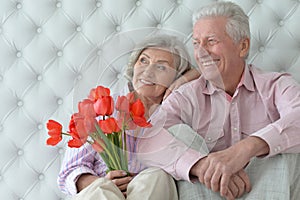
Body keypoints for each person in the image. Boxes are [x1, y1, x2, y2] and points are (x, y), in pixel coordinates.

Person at [137, 1, 300, 200]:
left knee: (286, 142)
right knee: (177, 134)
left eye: (211, 41)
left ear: (243, 46)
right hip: (207, 193)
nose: (201, 52)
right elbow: (148, 141)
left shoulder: (277, 85)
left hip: (268, 189)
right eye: (197, 43)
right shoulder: (186, 96)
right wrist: (201, 164)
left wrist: (246, 149)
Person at [57, 34, 200, 200]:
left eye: (161, 67)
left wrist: (188, 78)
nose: (148, 71)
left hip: (150, 192)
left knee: (157, 176)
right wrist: (107, 184)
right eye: (144, 61)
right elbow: (70, 171)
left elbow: (221, 71)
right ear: (134, 65)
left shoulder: (176, 115)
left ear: (176, 77)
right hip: (100, 194)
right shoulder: (102, 107)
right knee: (103, 189)